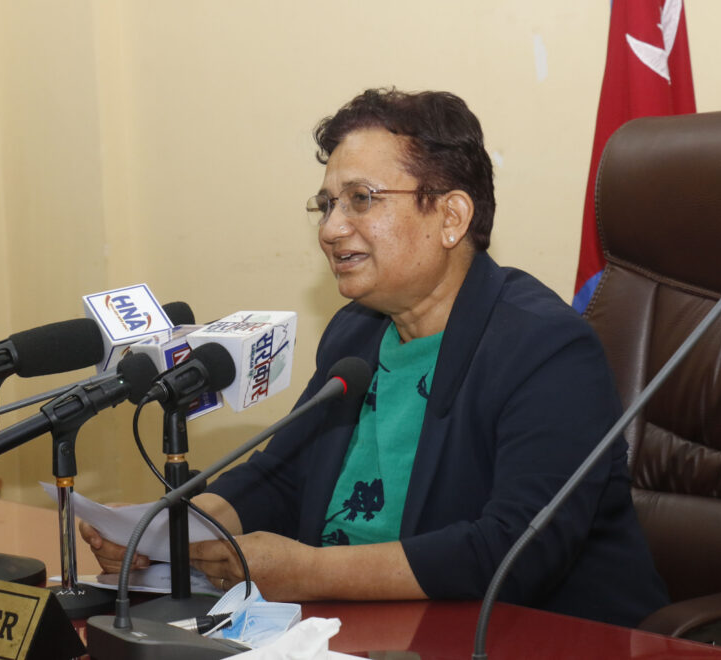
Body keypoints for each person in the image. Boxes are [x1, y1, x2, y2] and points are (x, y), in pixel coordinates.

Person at [81, 88, 668, 627]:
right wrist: (165, 532)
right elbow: (282, 475)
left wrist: (308, 573)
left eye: (361, 200)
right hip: (355, 627)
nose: (331, 229)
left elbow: (514, 550)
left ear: (451, 217)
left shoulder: (546, 347)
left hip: (530, 636)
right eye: (326, 204)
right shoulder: (355, 334)